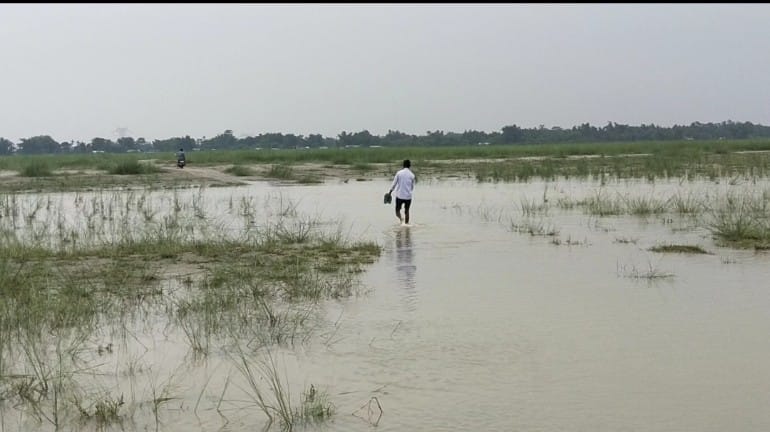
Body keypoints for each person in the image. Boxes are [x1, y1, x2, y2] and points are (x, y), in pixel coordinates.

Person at [388, 159, 416, 225]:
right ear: (410, 166)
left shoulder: (399, 173)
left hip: (399, 196)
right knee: (407, 211)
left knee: (397, 211)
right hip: (408, 197)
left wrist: (390, 192)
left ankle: (401, 219)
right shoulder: (412, 175)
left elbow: (394, 184)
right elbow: (412, 187)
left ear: (403, 165)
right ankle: (406, 225)